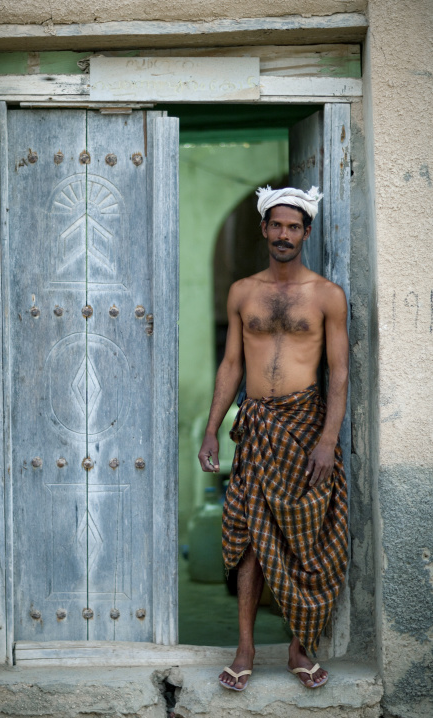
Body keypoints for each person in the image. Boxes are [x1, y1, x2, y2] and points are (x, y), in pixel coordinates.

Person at [198, 186, 349, 691]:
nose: (284, 234)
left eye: (294, 226)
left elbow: (339, 372)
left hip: (307, 429)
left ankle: (298, 649)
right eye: (276, 225)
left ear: (306, 232)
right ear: (264, 228)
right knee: (250, 542)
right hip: (259, 428)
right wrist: (212, 429)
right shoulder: (242, 292)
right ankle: (244, 648)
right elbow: (232, 364)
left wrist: (328, 438)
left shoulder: (327, 295)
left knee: (309, 540)